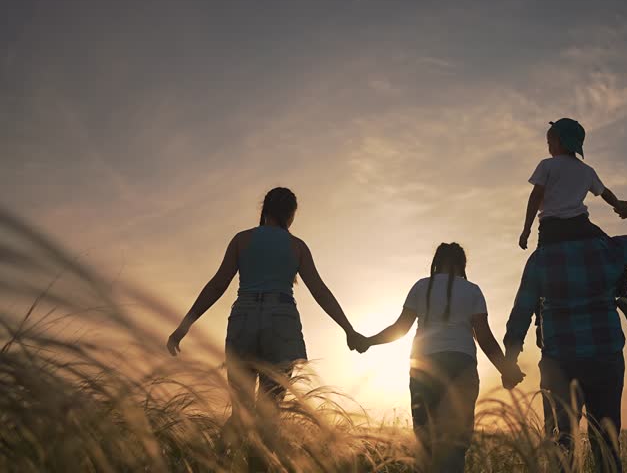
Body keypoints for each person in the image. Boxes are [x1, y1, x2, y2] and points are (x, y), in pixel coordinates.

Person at [165, 187, 366, 424]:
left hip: (244, 317)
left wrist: (184, 326)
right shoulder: (297, 246)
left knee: (241, 411)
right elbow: (320, 291)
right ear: (291, 214)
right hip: (281, 320)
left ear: (265, 210)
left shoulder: (242, 239)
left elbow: (217, 285)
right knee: (268, 414)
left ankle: (219, 459)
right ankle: (258, 460)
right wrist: (348, 330)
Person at [504, 201, 627, 473]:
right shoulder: (607, 249)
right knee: (606, 442)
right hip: (605, 357)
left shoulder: (541, 259)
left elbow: (521, 313)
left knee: (560, 444)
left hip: (559, 363)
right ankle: (625, 294)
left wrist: (510, 360)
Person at [360, 243, 525, 473]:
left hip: (424, 366)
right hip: (462, 366)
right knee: (456, 444)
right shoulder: (472, 290)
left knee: (426, 441)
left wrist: (368, 341)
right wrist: (506, 369)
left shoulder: (421, 287)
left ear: (437, 263)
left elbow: (400, 328)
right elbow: (484, 337)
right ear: (461, 265)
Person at [518, 118, 627, 327]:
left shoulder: (547, 165)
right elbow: (604, 193)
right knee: (612, 251)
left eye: (549, 144)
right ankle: (625, 293)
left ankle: (541, 320)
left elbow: (535, 196)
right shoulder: (586, 170)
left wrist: (526, 230)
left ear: (558, 142)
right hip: (581, 226)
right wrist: (619, 206)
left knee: (543, 272)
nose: (548, 148)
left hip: (551, 229)